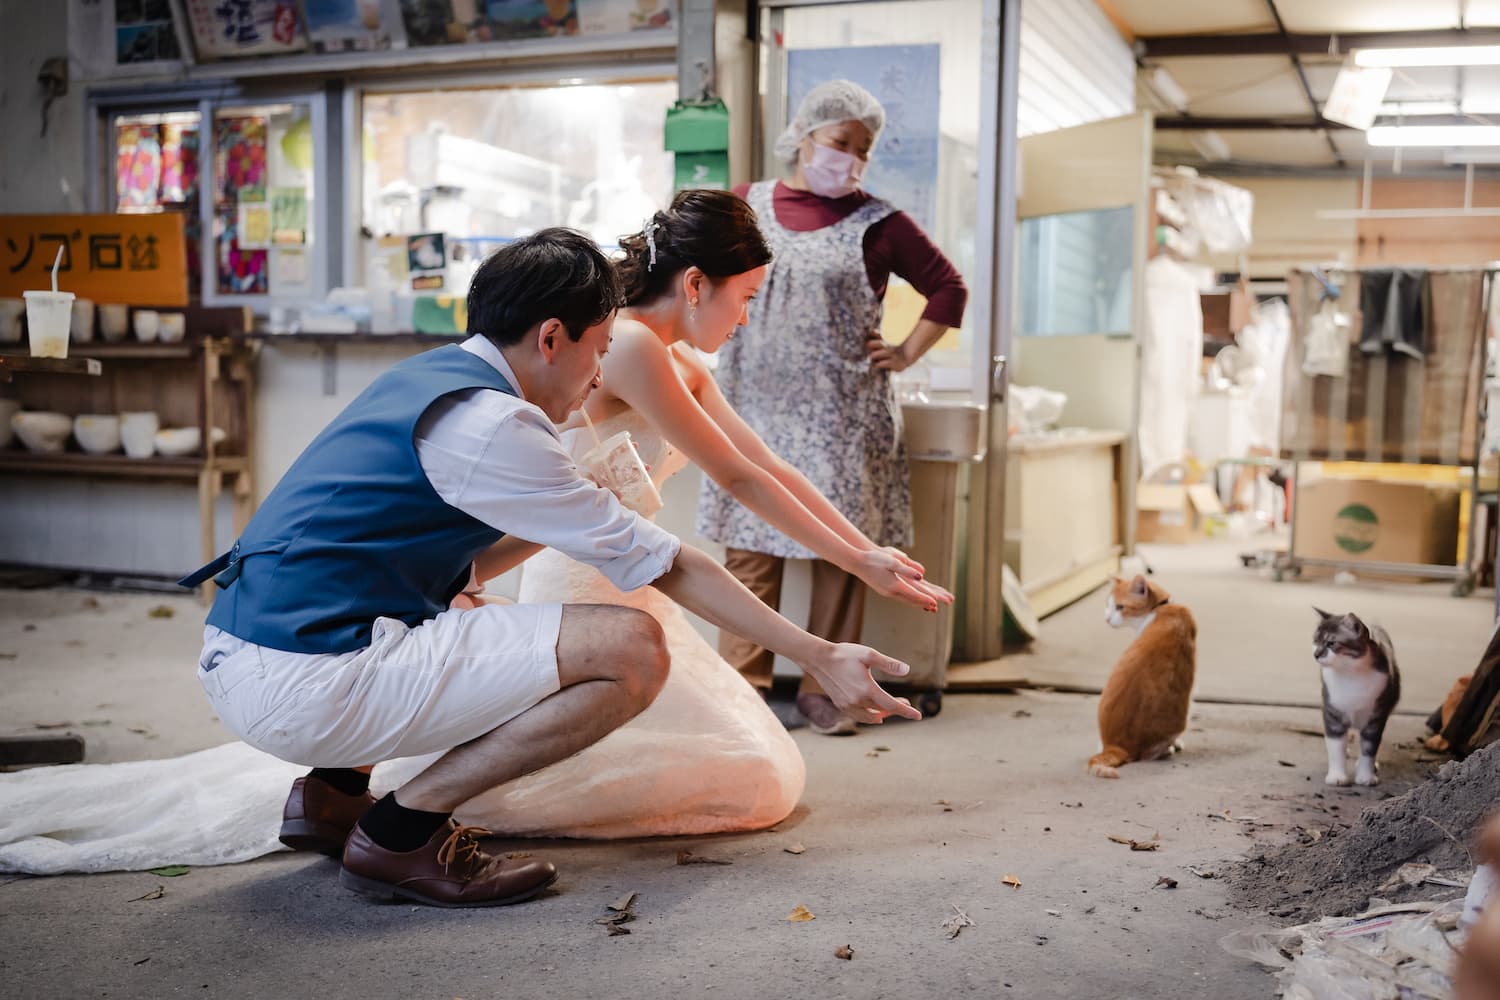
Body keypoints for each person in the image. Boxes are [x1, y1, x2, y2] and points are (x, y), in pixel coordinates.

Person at [172, 228, 920, 907]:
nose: (602, 374)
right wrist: (820, 656)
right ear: (552, 337)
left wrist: (581, 502)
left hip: (255, 649)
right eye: (599, 349)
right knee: (633, 651)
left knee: (466, 603)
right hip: (302, 681)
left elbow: (462, 560)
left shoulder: (440, 376)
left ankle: (333, 796)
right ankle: (400, 834)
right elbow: (670, 564)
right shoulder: (498, 423)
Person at [410, 190, 953, 836]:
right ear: (696, 284)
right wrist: (858, 563)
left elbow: (767, 464)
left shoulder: (681, 360)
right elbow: (739, 478)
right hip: (585, 574)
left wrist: (865, 555)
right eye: (746, 296)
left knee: (752, 762)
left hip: (632, 575)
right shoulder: (633, 345)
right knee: (742, 771)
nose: (747, 318)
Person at [698, 79, 969, 734]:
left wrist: (904, 353)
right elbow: (700, 277)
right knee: (748, 555)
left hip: (842, 416)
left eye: (863, 151)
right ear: (805, 135)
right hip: (753, 404)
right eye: (840, 142)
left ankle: (830, 691)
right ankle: (743, 693)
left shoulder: (881, 222)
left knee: (839, 558)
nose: (850, 159)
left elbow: (948, 289)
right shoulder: (746, 205)